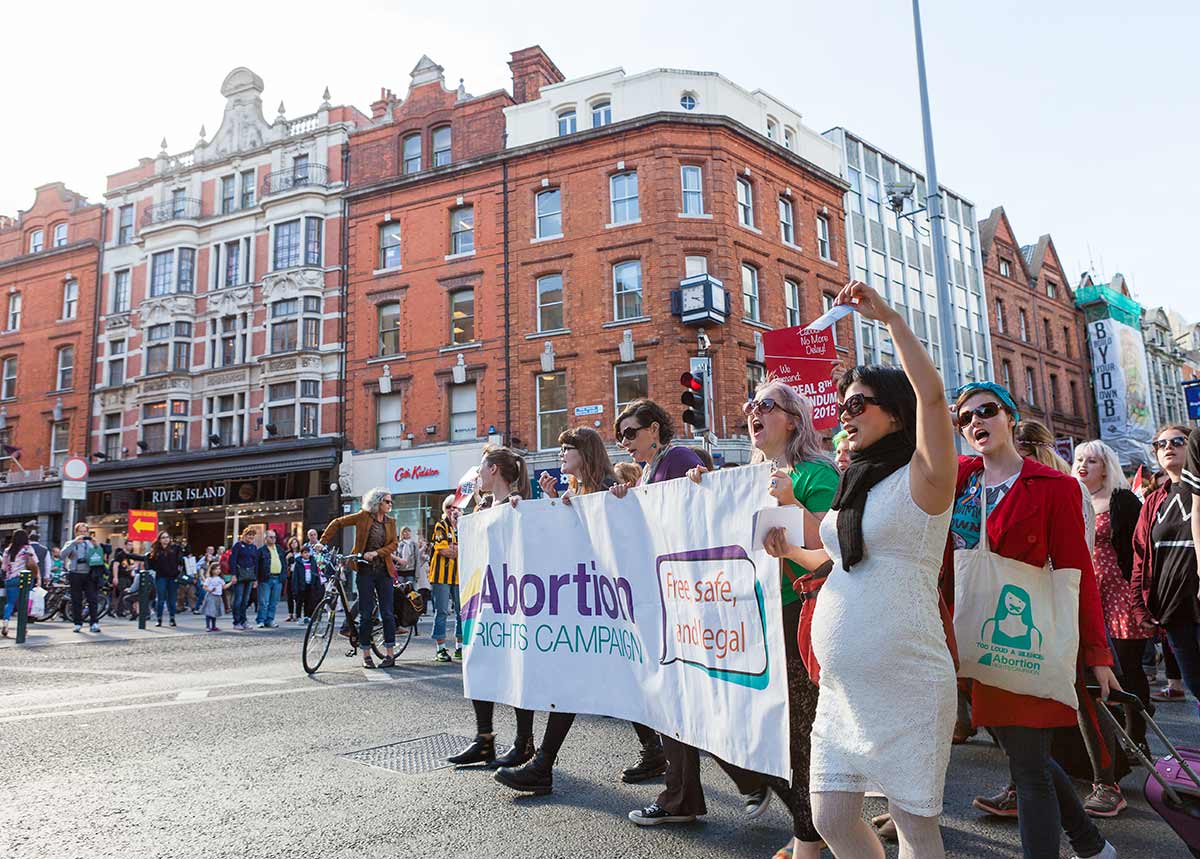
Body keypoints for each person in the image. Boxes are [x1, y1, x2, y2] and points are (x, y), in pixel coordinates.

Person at [779, 282, 959, 859]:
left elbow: (933, 399)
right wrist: (788, 544)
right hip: (844, 688)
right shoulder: (853, 489)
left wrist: (887, 318)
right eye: (842, 404)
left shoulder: (925, 477)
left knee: (914, 830)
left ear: (895, 413)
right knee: (831, 816)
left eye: (859, 404)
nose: (844, 414)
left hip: (908, 679)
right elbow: (837, 566)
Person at [947, 380, 1118, 859]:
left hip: (1020, 639)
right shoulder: (958, 479)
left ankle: (1082, 845)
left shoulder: (1054, 487)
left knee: (1028, 769)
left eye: (987, 411)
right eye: (965, 418)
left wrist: (1096, 652)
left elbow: (1075, 572)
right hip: (962, 634)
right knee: (1028, 758)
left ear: (1011, 417)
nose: (976, 422)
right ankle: (1091, 844)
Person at [686, 381, 838, 859]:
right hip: (756, 615)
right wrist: (704, 492)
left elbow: (833, 545)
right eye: (751, 404)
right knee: (750, 724)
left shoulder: (818, 473)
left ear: (793, 418)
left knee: (799, 731)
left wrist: (792, 501)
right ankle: (811, 827)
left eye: (766, 405)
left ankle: (809, 840)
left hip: (801, 610)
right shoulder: (750, 477)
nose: (753, 411)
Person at [497, 428, 644, 795]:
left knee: (599, 678)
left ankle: (543, 764)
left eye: (568, 449)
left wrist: (622, 501)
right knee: (616, 677)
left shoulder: (609, 488)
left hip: (609, 604)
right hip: (588, 605)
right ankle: (654, 750)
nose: (561, 455)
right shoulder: (574, 492)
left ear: (587, 453)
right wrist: (547, 503)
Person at [610, 398, 708, 825]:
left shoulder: (679, 457)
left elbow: (701, 511)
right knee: (674, 705)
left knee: (688, 704)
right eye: (620, 437)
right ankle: (680, 797)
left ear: (654, 428)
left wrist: (700, 482)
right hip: (667, 601)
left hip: (685, 602)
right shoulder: (651, 470)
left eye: (631, 433)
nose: (625, 443)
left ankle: (755, 782)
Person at [448, 446, 539, 771]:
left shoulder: (517, 505)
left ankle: (523, 743)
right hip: (486, 598)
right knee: (480, 662)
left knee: (515, 667)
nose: (478, 475)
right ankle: (484, 739)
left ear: (495, 470)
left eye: (481, 468)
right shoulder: (487, 508)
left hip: (512, 600)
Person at [1131, 426, 1199, 714]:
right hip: (1173, 610)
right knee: (1196, 685)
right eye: (1160, 444)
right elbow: (1139, 555)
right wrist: (1139, 605)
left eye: (1177, 441)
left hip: (1198, 600)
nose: (1168, 447)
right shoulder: (1153, 501)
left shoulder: (1196, 492)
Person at [319, 488, 400, 669]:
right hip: (365, 570)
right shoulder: (363, 516)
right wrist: (322, 542)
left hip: (384, 571)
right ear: (377, 502)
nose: (390, 504)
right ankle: (366, 655)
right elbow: (337, 522)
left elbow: (394, 544)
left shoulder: (391, 522)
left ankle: (389, 654)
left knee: (387, 613)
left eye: (390, 502)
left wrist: (377, 552)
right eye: (387, 501)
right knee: (365, 613)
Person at [429, 496, 462, 663]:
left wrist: (455, 548)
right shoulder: (440, 526)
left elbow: (470, 548)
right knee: (441, 611)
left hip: (458, 576)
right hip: (440, 576)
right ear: (444, 509)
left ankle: (460, 647)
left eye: (455, 507)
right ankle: (440, 648)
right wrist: (459, 548)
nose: (452, 510)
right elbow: (443, 550)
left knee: (462, 612)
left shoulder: (464, 526)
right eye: (449, 507)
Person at [60, 522, 105, 633]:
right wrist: (74, 543)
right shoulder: (70, 543)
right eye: (81, 531)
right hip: (75, 573)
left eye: (85, 532)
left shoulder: (91, 543)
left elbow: (99, 556)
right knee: (76, 599)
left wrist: (96, 546)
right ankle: (77, 623)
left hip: (90, 574)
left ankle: (94, 622)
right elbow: (62, 555)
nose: (83, 534)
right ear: (76, 532)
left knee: (92, 599)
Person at [2, 529, 39, 638]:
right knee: (24, 603)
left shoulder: (8, 550)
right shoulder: (28, 549)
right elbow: (34, 564)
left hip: (10, 579)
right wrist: (38, 578)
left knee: (10, 603)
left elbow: (4, 567)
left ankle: (6, 623)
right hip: (24, 578)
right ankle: (23, 627)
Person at [228, 528, 259, 631]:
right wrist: (233, 575)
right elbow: (233, 560)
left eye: (253, 536)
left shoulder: (254, 547)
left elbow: (256, 563)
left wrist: (255, 578)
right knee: (238, 599)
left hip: (250, 576)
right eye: (249, 535)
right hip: (239, 576)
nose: (251, 537)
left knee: (245, 600)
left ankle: (243, 620)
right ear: (244, 535)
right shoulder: (238, 545)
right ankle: (236, 621)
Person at [256, 529, 286, 629]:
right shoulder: (261, 551)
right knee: (264, 602)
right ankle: (261, 620)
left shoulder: (279, 549)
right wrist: (256, 579)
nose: (273, 539)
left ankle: (270, 620)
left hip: (278, 578)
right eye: (271, 537)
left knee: (274, 602)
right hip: (265, 578)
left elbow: (284, 563)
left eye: (274, 537)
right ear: (265, 538)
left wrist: (283, 575)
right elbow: (257, 566)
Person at [291, 544, 319, 621]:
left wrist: (317, 584)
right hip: (301, 585)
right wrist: (295, 587)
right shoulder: (298, 563)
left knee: (309, 601)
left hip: (310, 585)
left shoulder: (312, 562)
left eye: (308, 552)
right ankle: (299, 617)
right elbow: (295, 576)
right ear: (301, 554)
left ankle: (307, 616)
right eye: (305, 553)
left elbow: (316, 573)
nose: (307, 554)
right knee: (299, 602)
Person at [284, 535, 302, 622]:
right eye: (292, 543)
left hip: (298, 575)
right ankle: (290, 614)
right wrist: (287, 559)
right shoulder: (288, 553)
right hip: (290, 575)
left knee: (298, 596)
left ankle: (297, 614)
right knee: (289, 595)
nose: (294, 544)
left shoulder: (301, 553)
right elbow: (284, 564)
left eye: (295, 542)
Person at [202, 562, 224, 632]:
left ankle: (213, 626)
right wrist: (210, 590)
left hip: (218, 596)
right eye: (216, 569)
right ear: (212, 570)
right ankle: (208, 626)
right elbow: (204, 587)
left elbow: (224, 586)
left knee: (215, 612)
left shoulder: (220, 579)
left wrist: (231, 583)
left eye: (219, 569)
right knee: (209, 611)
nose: (218, 570)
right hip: (211, 596)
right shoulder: (209, 579)